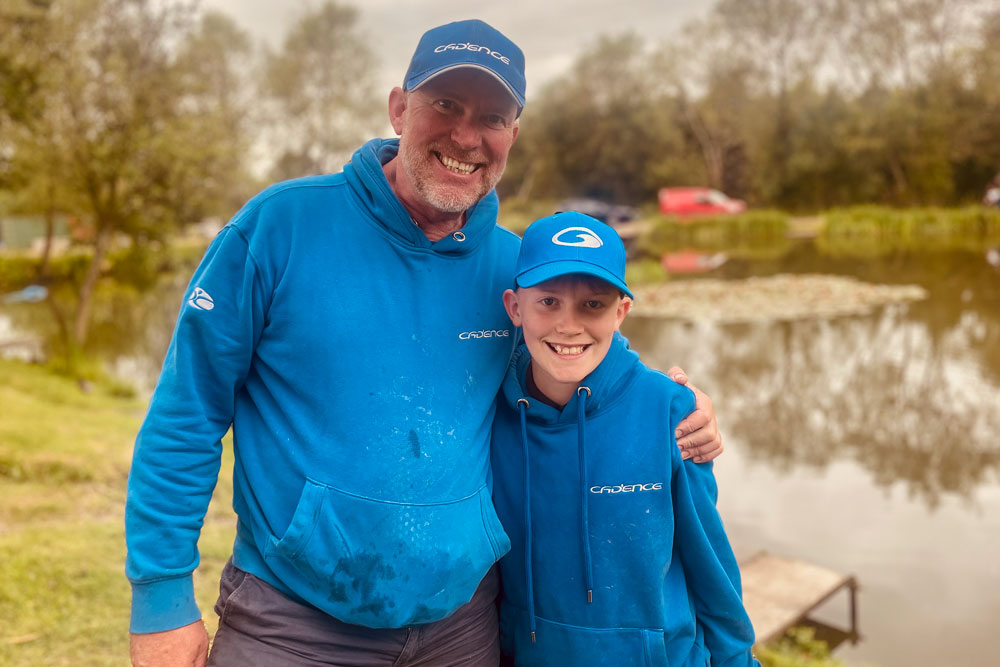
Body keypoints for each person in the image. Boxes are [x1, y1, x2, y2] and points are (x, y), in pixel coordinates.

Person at [125, 19, 723, 667]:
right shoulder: (278, 227)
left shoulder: (515, 267)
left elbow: (567, 374)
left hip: (460, 625)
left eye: (492, 116)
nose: (467, 136)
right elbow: (187, 412)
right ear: (398, 107)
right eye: (445, 104)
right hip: (292, 620)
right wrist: (161, 598)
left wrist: (670, 404)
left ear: (512, 136)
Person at [491, 212, 758, 666]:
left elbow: (711, 565)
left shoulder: (670, 411)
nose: (568, 326)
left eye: (592, 305)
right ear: (516, 307)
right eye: (548, 302)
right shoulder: (490, 414)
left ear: (621, 311)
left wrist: (737, 659)